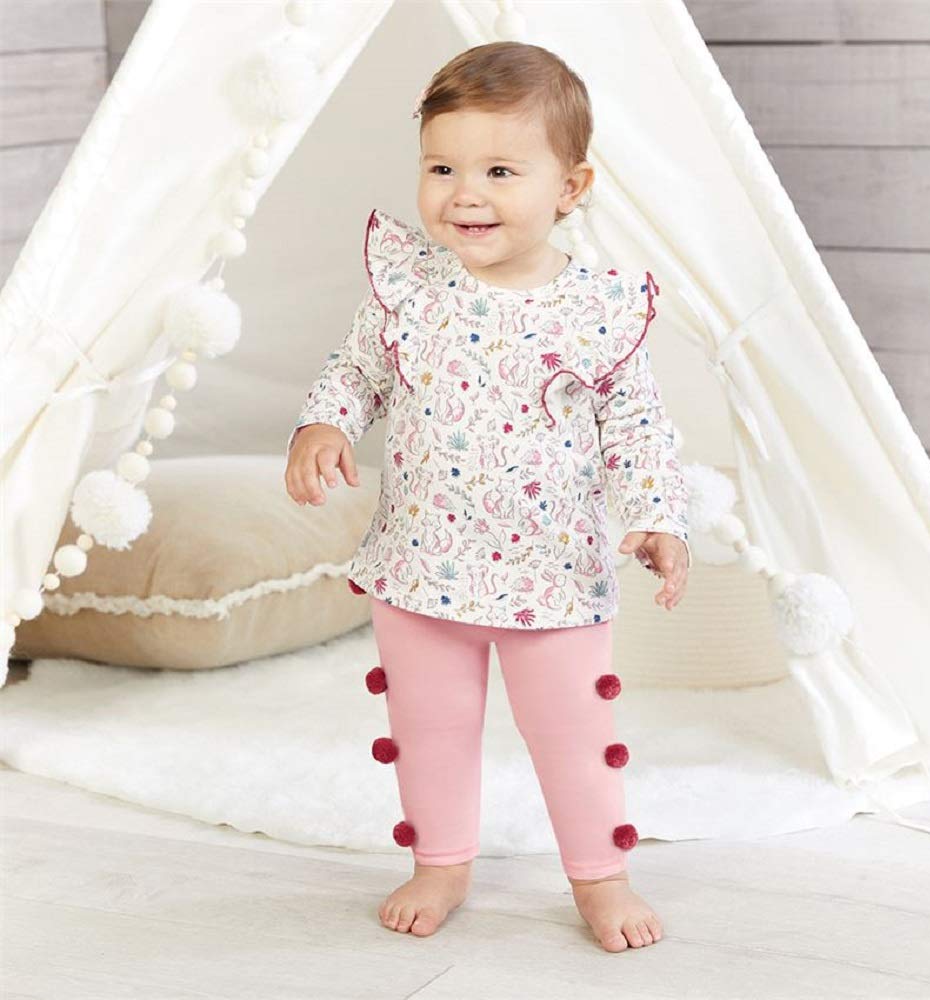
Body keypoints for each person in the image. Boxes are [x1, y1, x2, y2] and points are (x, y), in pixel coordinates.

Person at [284, 41, 690, 953]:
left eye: (499, 171)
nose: (464, 194)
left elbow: (638, 427)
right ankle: (441, 862)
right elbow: (355, 372)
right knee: (429, 727)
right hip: (422, 564)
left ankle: (601, 876)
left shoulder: (597, 309)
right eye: (442, 168)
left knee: (571, 732)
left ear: (570, 188)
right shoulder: (410, 290)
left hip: (551, 575)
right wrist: (324, 426)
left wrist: (657, 517)